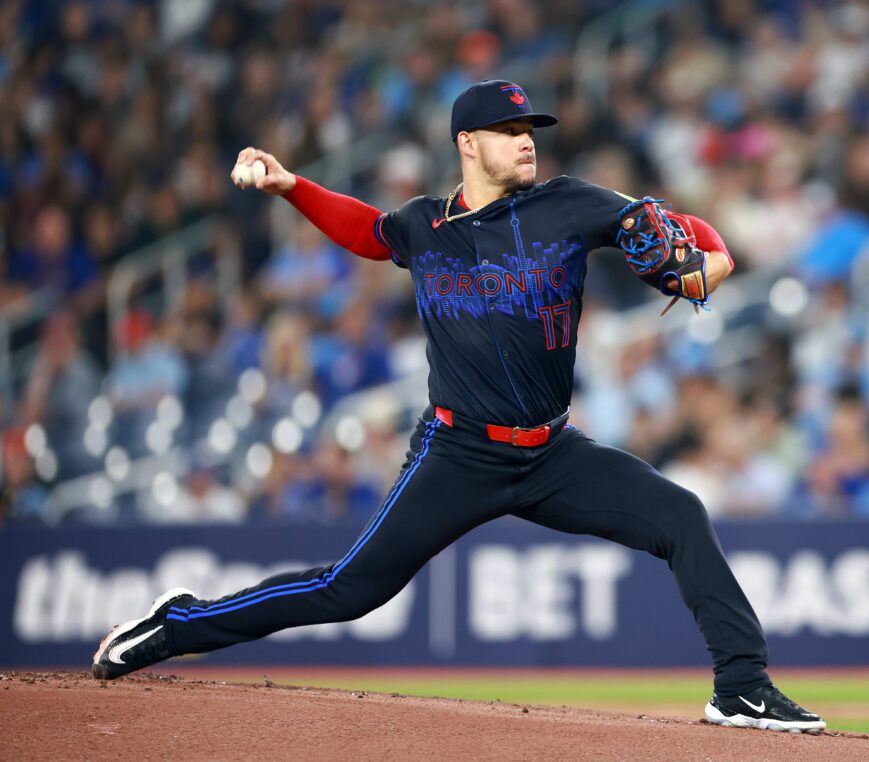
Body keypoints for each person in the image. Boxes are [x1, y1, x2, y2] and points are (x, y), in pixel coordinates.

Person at [92, 80, 825, 733]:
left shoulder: (570, 204)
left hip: (551, 452)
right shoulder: (423, 226)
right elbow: (369, 233)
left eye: (530, 131)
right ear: (468, 144)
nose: (526, 142)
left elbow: (673, 229)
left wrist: (716, 253)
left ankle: (742, 688)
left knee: (681, 515)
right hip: (460, 452)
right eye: (510, 133)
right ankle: (176, 624)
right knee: (347, 592)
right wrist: (292, 186)